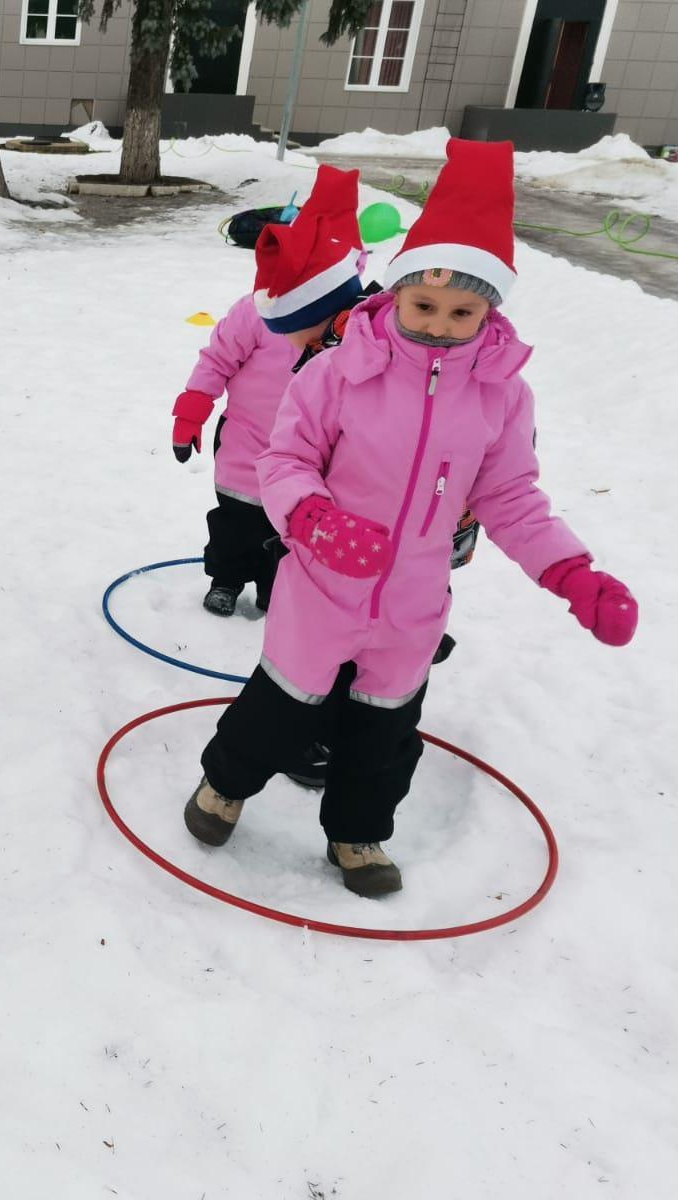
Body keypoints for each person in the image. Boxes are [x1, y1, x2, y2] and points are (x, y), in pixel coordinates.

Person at [183, 140, 639, 897]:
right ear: (396, 292)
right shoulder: (338, 371)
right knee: (280, 707)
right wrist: (315, 520)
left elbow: (511, 496)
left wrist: (571, 572)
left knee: (384, 727)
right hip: (322, 584)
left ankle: (358, 834)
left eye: (464, 311)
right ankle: (223, 785)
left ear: (490, 307)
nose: (441, 324)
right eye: (425, 305)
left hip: (413, 600)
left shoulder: (501, 395)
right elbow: (283, 462)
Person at [171, 166, 367, 617]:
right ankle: (226, 578)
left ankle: (272, 586)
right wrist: (191, 411)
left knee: (289, 533)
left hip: (311, 462)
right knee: (235, 524)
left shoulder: (360, 329)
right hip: (247, 444)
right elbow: (217, 359)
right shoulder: (257, 312)